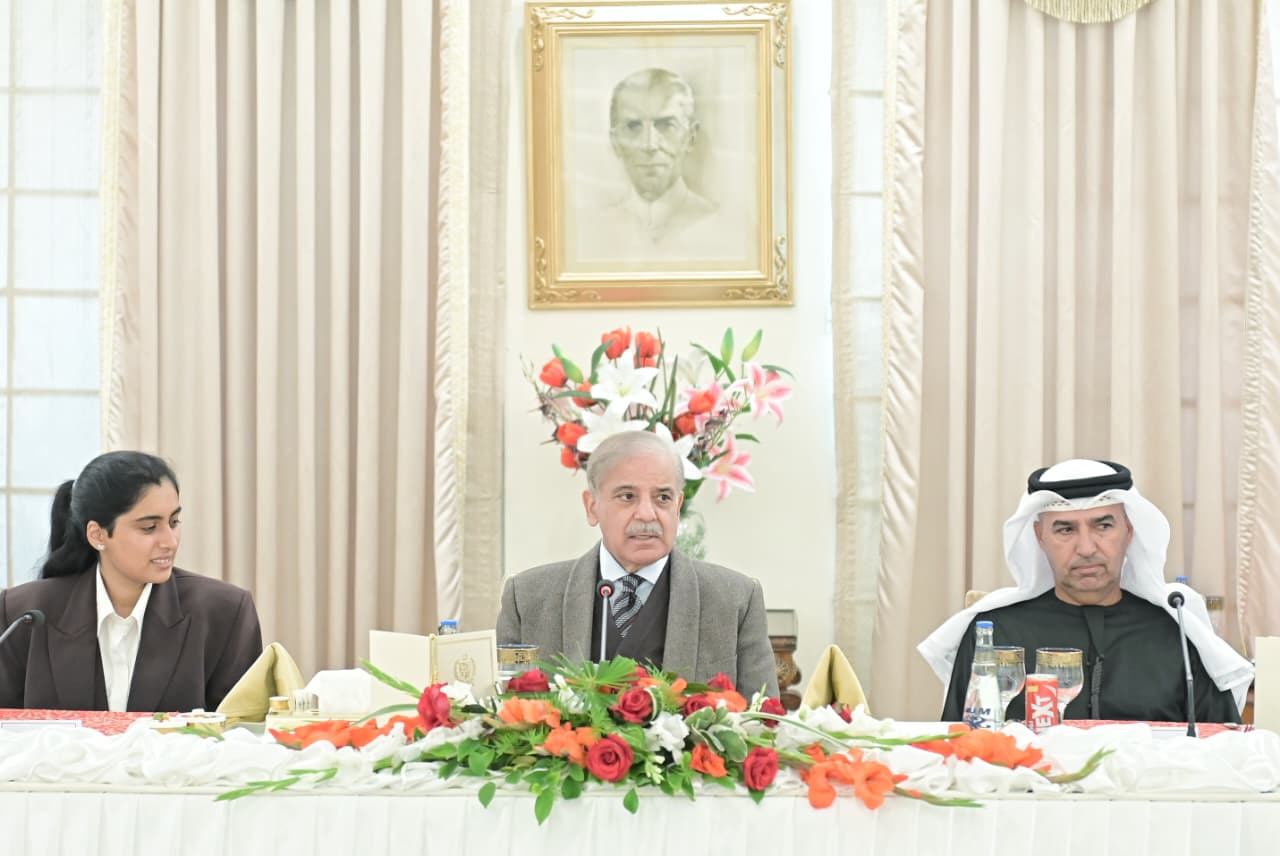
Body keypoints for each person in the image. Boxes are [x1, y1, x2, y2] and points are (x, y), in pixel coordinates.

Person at [919, 458, 1252, 723]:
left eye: (1103, 526)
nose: (1087, 548)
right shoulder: (994, 632)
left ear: (1129, 531)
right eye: (1065, 530)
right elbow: (960, 750)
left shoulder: (1177, 631)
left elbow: (1225, 747)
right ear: (1039, 537)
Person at [497, 430, 778, 696]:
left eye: (663, 498)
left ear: (678, 506)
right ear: (592, 507)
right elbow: (501, 712)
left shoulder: (735, 600)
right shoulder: (528, 598)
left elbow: (765, 721)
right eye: (627, 497)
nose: (646, 514)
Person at [0, 451, 263, 712]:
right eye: (149, 527)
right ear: (97, 535)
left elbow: (246, 729)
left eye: (174, 522)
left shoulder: (225, 613)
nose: (170, 541)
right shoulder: (21, 614)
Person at [574, 68, 747, 263]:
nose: (649, 145)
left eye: (666, 125)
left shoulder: (726, 228)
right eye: (633, 127)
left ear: (690, 137)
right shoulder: (588, 231)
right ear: (615, 142)